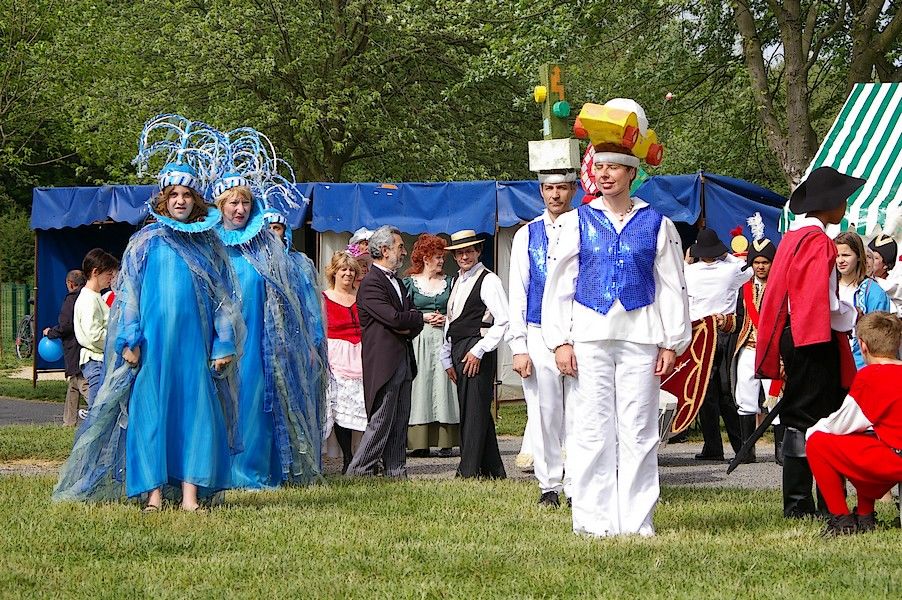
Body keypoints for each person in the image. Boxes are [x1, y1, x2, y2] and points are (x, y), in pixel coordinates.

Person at [54, 115, 244, 512]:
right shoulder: (144, 244)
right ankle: (154, 495)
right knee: (150, 415)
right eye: (173, 194)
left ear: (197, 202)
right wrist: (128, 338)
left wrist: (223, 342)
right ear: (162, 199)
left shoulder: (208, 246)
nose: (180, 200)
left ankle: (190, 495)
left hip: (194, 349)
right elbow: (129, 298)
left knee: (195, 415)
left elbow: (223, 299)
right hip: (153, 348)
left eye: (187, 195)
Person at [542, 98, 691, 537]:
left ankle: (637, 521)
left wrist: (671, 342)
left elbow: (671, 287)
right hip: (589, 334)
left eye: (613, 167)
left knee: (639, 431)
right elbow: (558, 286)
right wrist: (561, 340)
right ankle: (592, 519)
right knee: (591, 429)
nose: (604, 174)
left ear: (631, 172)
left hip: (641, 337)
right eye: (598, 167)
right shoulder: (576, 221)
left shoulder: (657, 223)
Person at [755, 166, 862, 518]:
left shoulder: (791, 238)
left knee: (802, 415)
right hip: (812, 335)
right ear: (830, 204)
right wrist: (847, 311)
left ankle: (807, 502)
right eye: (842, 200)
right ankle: (806, 504)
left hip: (795, 333)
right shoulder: (818, 243)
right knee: (816, 417)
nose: (845, 206)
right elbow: (820, 300)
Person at [215, 175, 326, 489]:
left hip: (258, 342)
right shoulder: (210, 243)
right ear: (220, 205)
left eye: (245, 202)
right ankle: (215, 470)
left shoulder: (265, 248)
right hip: (219, 340)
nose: (240, 209)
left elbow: (290, 298)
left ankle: (251, 471)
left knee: (254, 401)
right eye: (233, 202)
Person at [508, 170, 577, 506]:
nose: (555, 195)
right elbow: (517, 293)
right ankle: (549, 484)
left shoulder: (586, 227)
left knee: (580, 411)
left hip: (579, 332)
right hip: (536, 331)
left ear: (573, 190)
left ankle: (578, 482)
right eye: (549, 188)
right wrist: (518, 346)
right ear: (541, 192)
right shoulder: (527, 235)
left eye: (562, 188)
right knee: (543, 410)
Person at [806, 311, 902, 536]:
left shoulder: (870, 377)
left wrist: (814, 429)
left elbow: (842, 423)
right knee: (865, 437)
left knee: (817, 441)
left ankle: (842, 518)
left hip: (894, 459)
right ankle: (865, 515)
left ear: (863, 345)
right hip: (894, 452)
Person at [346, 226, 424, 477]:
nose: (404, 252)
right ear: (385, 249)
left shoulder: (398, 283)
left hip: (403, 358)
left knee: (400, 420)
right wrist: (407, 321)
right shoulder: (371, 283)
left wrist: (408, 322)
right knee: (381, 419)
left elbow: (414, 320)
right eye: (400, 247)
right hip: (384, 362)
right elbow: (395, 319)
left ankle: (396, 471)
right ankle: (359, 471)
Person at [441, 230, 510, 479]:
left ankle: (468, 470)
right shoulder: (457, 281)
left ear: (478, 251)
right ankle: (492, 469)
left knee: (474, 409)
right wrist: (446, 356)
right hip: (460, 346)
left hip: (478, 346)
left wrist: (479, 350)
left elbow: (503, 320)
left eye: (469, 251)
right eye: (460, 252)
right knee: (472, 407)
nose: (465, 256)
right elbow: (451, 321)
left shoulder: (489, 280)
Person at [684, 229, 751, 461]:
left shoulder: (688, 272)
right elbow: (749, 267)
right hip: (724, 330)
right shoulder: (731, 269)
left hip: (698, 333)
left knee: (704, 392)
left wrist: (687, 258)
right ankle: (741, 446)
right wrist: (728, 255)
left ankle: (713, 446)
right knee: (727, 390)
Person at [721, 229, 780, 464]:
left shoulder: (780, 287)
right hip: (748, 347)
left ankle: (780, 450)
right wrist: (723, 322)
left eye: (765, 262)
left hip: (772, 350)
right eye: (756, 262)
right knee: (745, 398)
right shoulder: (743, 290)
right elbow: (738, 319)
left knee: (775, 398)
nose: (760, 267)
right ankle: (747, 450)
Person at [402, 234, 459, 457]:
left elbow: (458, 309)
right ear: (425, 258)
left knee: (445, 386)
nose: (441, 261)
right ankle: (419, 442)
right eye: (437, 257)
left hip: (444, 340)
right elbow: (403, 311)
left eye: (441, 257)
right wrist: (423, 317)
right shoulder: (410, 283)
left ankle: (446, 440)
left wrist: (447, 319)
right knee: (421, 386)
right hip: (420, 340)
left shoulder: (451, 282)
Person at [322, 251, 367, 473]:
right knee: (340, 407)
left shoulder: (362, 297)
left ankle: (362, 457)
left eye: (351, 270)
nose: (348, 273)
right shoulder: (324, 297)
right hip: (336, 355)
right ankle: (347, 457)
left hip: (360, 354)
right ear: (334, 273)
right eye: (343, 269)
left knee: (361, 407)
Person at [834, 231, 891, 368]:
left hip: (860, 366)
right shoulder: (827, 287)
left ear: (859, 256)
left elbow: (880, 340)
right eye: (837, 256)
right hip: (831, 364)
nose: (840, 260)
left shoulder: (874, 293)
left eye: (846, 255)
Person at [73, 249, 120, 410]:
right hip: (95, 361)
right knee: (98, 413)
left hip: (100, 359)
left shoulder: (95, 297)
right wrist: (118, 341)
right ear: (95, 272)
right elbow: (94, 335)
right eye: (109, 275)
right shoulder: (89, 299)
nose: (111, 279)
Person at [43, 270, 89, 426]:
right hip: (86, 344)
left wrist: (51, 333)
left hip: (74, 346)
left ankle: (103, 412)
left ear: (70, 284)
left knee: (82, 382)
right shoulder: (88, 296)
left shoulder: (71, 300)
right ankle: (69, 421)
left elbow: (66, 326)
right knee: (74, 384)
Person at [868, 233, 902, 315]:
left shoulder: (895, 286)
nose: (868, 261)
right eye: (868, 256)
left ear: (886, 264)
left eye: (875, 258)